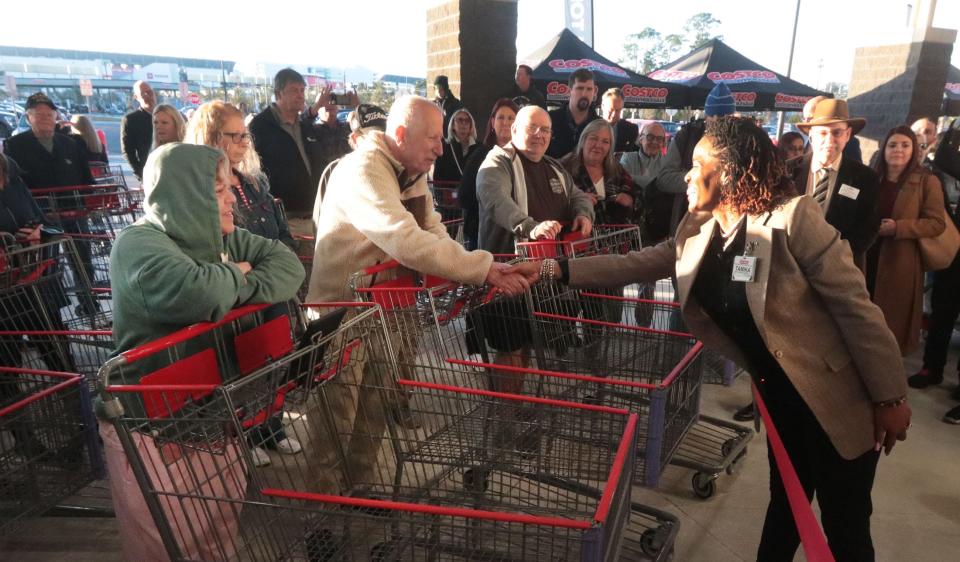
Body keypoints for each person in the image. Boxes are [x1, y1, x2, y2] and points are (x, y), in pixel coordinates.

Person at [524, 116, 911, 562]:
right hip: (779, 396)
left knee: (845, 526)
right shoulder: (699, 225)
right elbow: (639, 261)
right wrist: (554, 269)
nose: (686, 175)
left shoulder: (793, 219)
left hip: (838, 394)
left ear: (726, 173)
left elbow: (856, 309)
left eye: (697, 165)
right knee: (786, 503)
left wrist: (890, 396)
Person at [305, 95, 529, 498]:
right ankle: (322, 504)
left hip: (390, 306)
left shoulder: (411, 171)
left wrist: (475, 265)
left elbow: (432, 228)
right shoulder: (364, 170)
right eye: (432, 139)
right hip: (344, 311)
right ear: (402, 135)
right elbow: (404, 238)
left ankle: (358, 488)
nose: (440, 149)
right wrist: (483, 268)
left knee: (376, 404)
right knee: (337, 412)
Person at [103, 142, 304, 562]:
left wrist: (231, 283)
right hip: (153, 429)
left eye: (229, 187)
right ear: (183, 195)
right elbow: (199, 292)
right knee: (168, 543)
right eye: (218, 191)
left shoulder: (222, 236)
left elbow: (288, 265)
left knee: (219, 530)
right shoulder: (138, 244)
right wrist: (234, 275)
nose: (233, 197)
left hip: (214, 416)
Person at [476, 105, 594, 392]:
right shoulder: (498, 161)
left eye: (546, 130)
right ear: (514, 130)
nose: (540, 135)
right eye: (532, 127)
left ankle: (514, 409)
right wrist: (529, 226)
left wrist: (584, 213)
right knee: (510, 348)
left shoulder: (555, 167)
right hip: (506, 275)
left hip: (543, 279)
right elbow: (495, 199)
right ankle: (506, 419)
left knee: (527, 344)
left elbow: (578, 195)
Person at [3, 93, 102, 319]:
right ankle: (51, 312)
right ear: (29, 118)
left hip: (74, 214)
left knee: (82, 260)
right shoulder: (15, 146)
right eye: (39, 115)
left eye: (49, 114)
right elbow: (15, 187)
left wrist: (90, 203)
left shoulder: (69, 143)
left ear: (56, 116)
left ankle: (88, 302)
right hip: (40, 220)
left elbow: (86, 179)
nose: (46, 118)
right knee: (47, 266)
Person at [865, 126, 945, 361]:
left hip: (901, 262)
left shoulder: (926, 181)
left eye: (904, 145)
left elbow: (936, 223)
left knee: (892, 322)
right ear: (884, 149)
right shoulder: (872, 178)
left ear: (914, 149)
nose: (898, 150)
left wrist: (899, 227)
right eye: (892, 145)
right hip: (867, 257)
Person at [248, 68, 353, 231]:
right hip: (284, 218)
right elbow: (252, 171)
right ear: (279, 93)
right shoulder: (260, 126)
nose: (300, 95)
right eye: (294, 90)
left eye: (302, 90)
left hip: (317, 211)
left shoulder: (306, 126)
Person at [790, 99, 880, 269]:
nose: (830, 141)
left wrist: (834, 260)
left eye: (837, 133)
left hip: (839, 270)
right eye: (823, 133)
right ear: (811, 136)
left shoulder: (865, 178)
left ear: (848, 135)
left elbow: (869, 227)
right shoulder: (787, 171)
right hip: (790, 268)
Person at [655, 82, 735, 243]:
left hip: (728, 224)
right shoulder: (687, 136)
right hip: (687, 222)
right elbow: (664, 179)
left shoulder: (741, 141)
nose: (719, 122)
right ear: (707, 115)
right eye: (714, 116)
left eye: (725, 117)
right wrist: (702, 181)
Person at [458, 98, 519, 250]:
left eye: (511, 118)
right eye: (500, 117)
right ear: (492, 122)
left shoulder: (523, 157)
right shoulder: (479, 155)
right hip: (481, 235)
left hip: (514, 235)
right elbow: (464, 196)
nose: (505, 122)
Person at [313, 103, 388, 223]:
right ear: (354, 138)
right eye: (372, 138)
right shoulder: (335, 171)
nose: (379, 143)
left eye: (384, 137)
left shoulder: (396, 168)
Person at [560, 119, 636, 225]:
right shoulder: (563, 168)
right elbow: (552, 203)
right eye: (593, 138)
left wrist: (630, 199)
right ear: (583, 141)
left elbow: (637, 197)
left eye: (605, 142)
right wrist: (577, 201)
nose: (598, 145)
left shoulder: (618, 170)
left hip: (616, 237)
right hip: (578, 236)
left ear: (610, 147)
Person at [547, 68, 600, 159]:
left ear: (595, 91)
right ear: (569, 91)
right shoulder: (550, 120)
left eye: (589, 89)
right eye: (580, 88)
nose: (584, 94)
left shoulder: (599, 125)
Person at [433, 107, 480, 183]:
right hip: (448, 192)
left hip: (472, 194)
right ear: (453, 125)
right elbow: (437, 177)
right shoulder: (444, 147)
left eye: (467, 120)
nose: (464, 123)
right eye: (460, 120)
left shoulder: (479, 148)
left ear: (471, 125)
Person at [121, 80, 156, 180]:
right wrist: (141, 174)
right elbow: (127, 151)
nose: (147, 96)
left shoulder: (166, 115)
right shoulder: (131, 120)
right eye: (142, 93)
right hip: (150, 173)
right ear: (136, 97)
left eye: (149, 92)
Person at [601, 88, 639, 155]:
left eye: (617, 110)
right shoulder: (590, 126)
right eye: (611, 110)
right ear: (602, 107)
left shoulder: (631, 130)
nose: (613, 115)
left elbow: (636, 154)